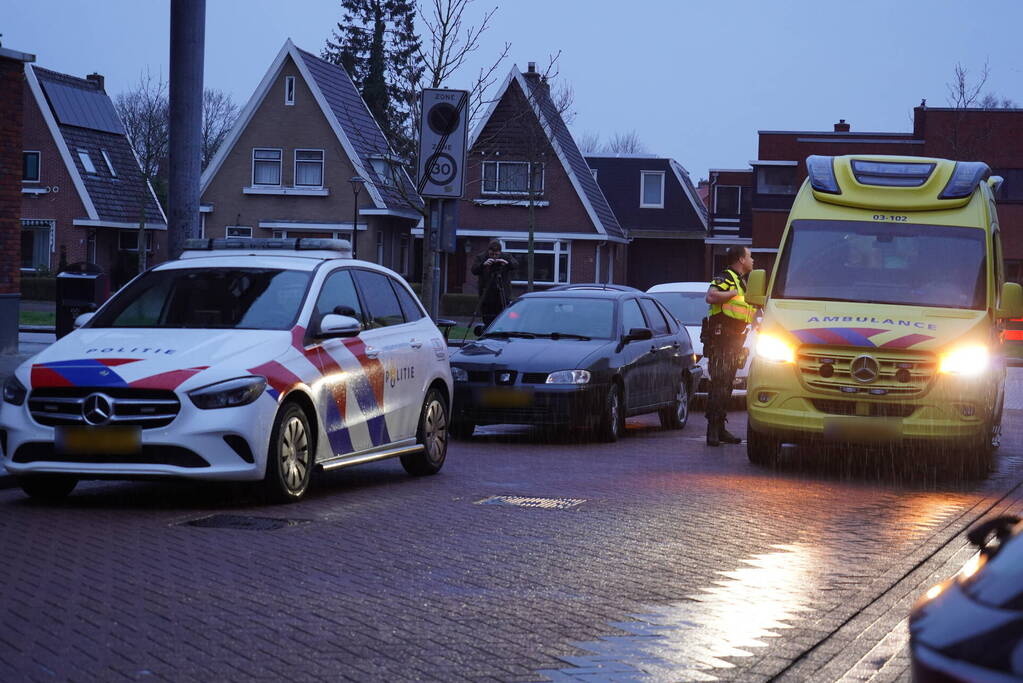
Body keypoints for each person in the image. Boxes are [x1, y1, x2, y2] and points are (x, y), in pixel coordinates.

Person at [704, 245, 756, 447]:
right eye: (750, 256)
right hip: (722, 339)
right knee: (719, 383)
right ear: (741, 260)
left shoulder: (741, 281)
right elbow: (711, 296)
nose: (753, 261)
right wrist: (733, 292)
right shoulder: (727, 278)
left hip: (734, 340)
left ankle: (720, 427)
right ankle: (713, 431)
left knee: (726, 384)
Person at [471, 240, 518, 326]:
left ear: (500, 252)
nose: (494, 257)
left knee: (503, 317)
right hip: (486, 292)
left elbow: (516, 265)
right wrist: (483, 265)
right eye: (491, 255)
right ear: (488, 251)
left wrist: (507, 264)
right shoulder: (481, 257)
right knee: (487, 318)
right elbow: (474, 270)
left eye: (496, 255)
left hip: (503, 293)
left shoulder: (506, 256)